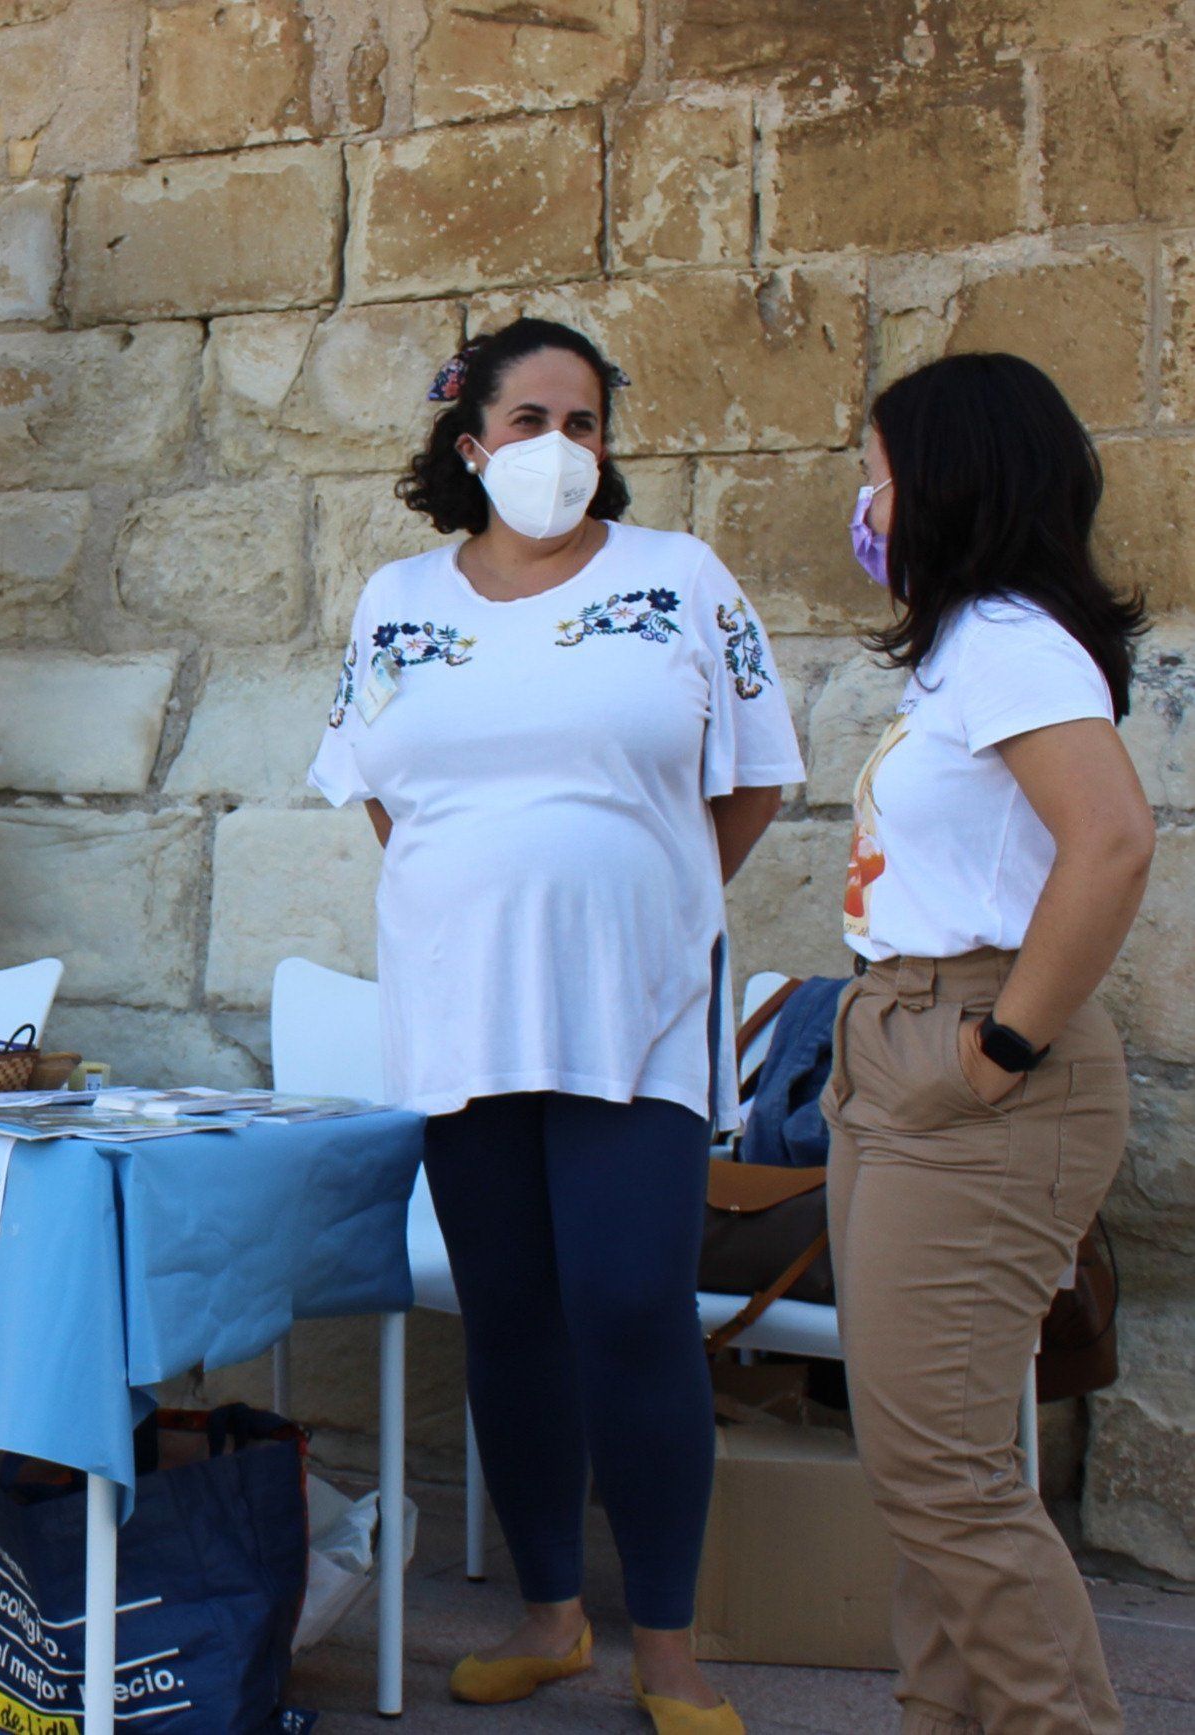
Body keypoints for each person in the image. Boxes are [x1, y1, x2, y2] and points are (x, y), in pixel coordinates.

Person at [308, 318, 802, 1734]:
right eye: (530, 421)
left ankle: (667, 1642)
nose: (560, 449)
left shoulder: (678, 581)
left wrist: (646, 900)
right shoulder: (395, 598)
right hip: (461, 1013)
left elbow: (754, 775)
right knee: (512, 1319)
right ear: (470, 444)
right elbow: (382, 791)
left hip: (635, 1011)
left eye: (584, 422)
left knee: (632, 1305)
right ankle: (547, 1618)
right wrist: (483, 896)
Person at [828, 353, 1153, 1735]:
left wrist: (997, 1053)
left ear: (951, 477)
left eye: (882, 469)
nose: (867, 499)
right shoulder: (974, 643)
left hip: (974, 1058)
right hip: (903, 1037)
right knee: (926, 1470)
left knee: (946, 1477)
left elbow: (1114, 838)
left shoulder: (1011, 635)